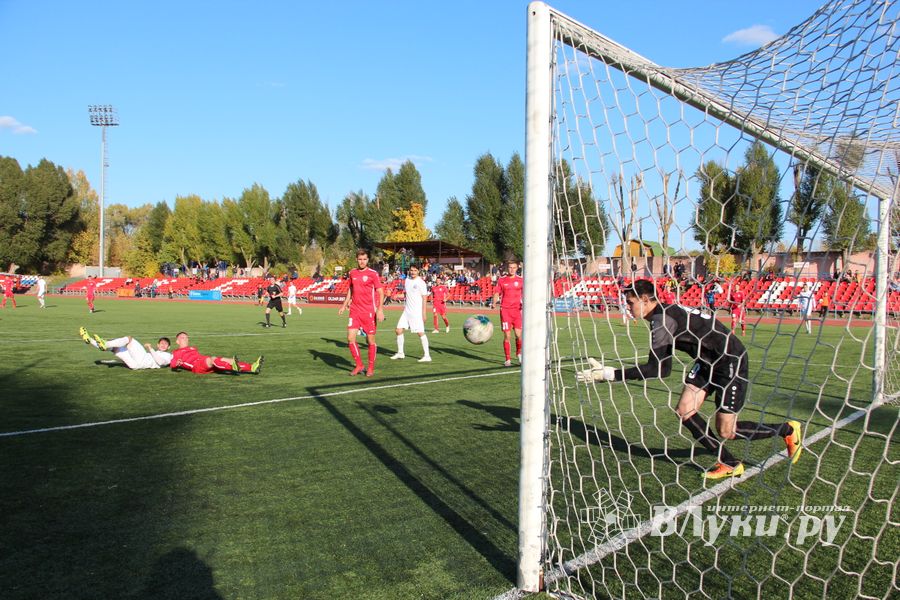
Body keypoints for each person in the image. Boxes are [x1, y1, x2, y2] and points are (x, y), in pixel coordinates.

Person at [576, 279, 802, 480]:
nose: (627, 307)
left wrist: (610, 374)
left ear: (645, 299)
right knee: (685, 410)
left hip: (729, 360)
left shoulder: (662, 319)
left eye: (630, 302)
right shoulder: (663, 315)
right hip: (707, 361)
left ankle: (787, 430)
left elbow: (659, 369)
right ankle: (730, 463)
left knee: (726, 431)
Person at [338, 249, 385, 377]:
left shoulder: (373, 274)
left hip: (369, 311)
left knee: (370, 340)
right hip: (354, 310)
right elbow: (350, 290)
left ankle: (370, 367)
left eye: (364, 259)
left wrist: (380, 309)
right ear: (357, 259)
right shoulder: (352, 273)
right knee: (350, 338)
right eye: (360, 259)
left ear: (368, 260)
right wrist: (344, 305)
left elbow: (381, 292)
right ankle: (359, 365)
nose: (362, 261)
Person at [80, 326, 174, 370]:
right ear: (158, 345)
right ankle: (90, 340)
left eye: (165, 344)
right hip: (136, 366)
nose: (163, 345)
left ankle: (106, 344)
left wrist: (150, 348)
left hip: (143, 359)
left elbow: (161, 362)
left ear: (168, 347)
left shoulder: (168, 355)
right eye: (161, 343)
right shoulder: (156, 352)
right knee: (114, 348)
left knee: (129, 339)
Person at [169, 331, 262, 374]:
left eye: (186, 337)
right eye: (182, 337)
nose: (185, 339)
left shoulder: (193, 348)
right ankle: (232, 367)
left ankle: (252, 367)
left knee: (225, 359)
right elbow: (172, 363)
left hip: (203, 361)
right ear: (177, 341)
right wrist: (176, 364)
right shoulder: (176, 352)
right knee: (213, 359)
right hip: (196, 366)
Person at [390, 265, 431, 362]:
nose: (413, 272)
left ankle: (427, 355)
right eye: (411, 270)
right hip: (407, 311)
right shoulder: (407, 280)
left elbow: (425, 298)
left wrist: (424, 313)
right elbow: (407, 293)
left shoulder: (421, 283)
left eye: (415, 270)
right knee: (398, 330)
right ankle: (400, 353)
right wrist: (398, 295)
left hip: (416, 312)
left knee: (420, 333)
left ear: (418, 271)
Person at [492, 260, 524, 366]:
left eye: (514, 267)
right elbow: (497, 292)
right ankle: (508, 359)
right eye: (510, 267)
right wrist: (494, 303)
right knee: (507, 335)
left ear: (517, 268)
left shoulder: (521, 280)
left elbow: (525, 293)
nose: (512, 269)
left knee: (519, 335)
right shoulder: (502, 280)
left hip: (517, 311)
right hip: (505, 310)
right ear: (507, 268)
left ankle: (519, 354)